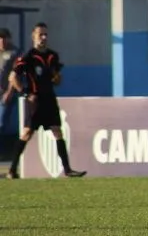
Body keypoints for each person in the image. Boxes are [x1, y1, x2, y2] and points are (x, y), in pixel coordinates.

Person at [2, 22, 86, 179]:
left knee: (57, 131)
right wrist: (26, 92)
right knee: (27, 133)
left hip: (49, 99)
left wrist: (57, 78)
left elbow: (56, 80)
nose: (44, 37)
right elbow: (12, 77)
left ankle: (67, 169)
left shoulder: (53, 56)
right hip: (35, 101)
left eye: (45, 34)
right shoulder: (27, 57)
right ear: (33, 36)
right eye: (40, 34)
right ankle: (12, 170)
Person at [0, 28, 20, 137]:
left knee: (1, 123)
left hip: (5, 93)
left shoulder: (14, 52)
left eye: (4, 38)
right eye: (0, 39)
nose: (2, 41)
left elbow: (15, 73)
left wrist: (9, 92)